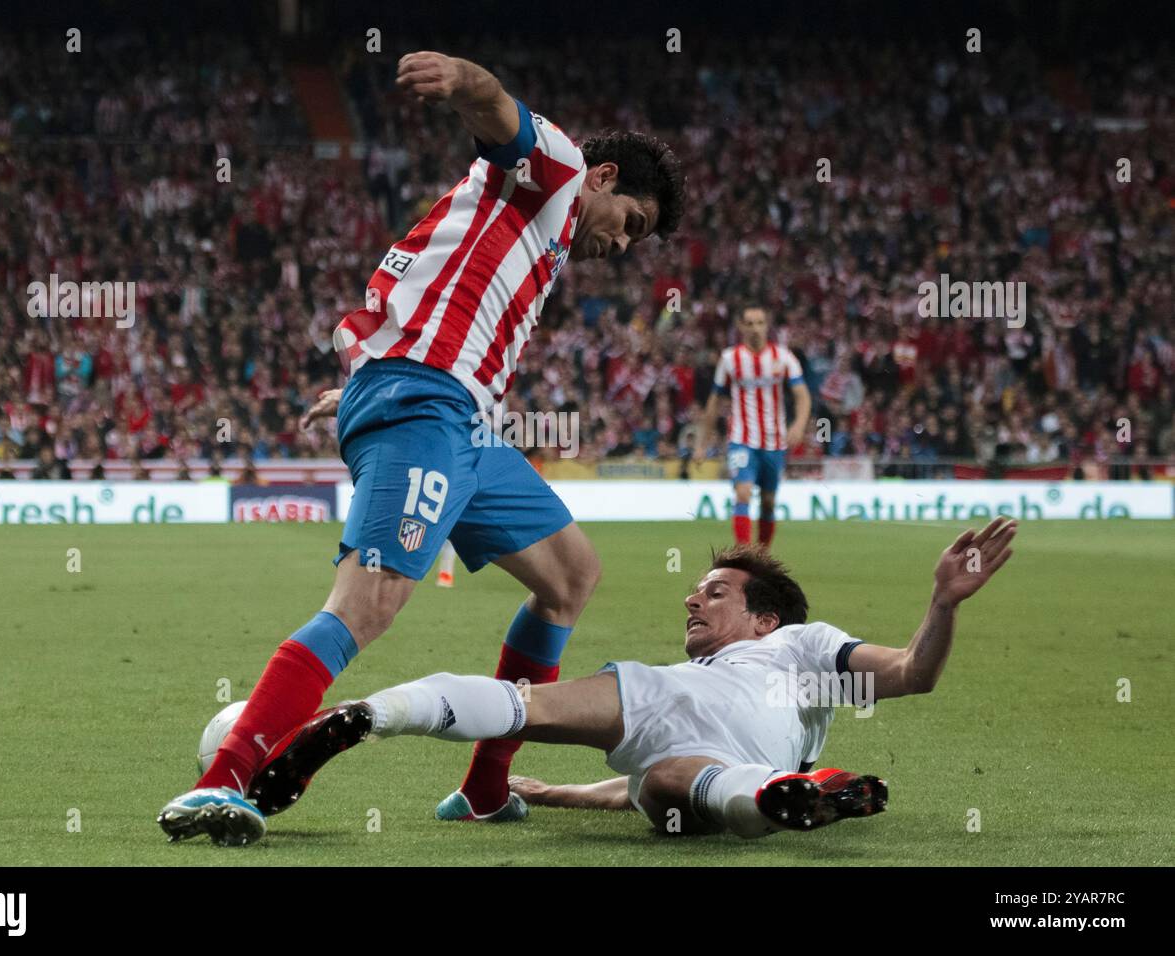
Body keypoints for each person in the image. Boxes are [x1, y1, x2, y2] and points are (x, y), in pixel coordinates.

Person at [158, 50, 686, 845]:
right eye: (632, 223)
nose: (623, 244)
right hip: (426, 402)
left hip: (455, 414)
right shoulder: (560, 173)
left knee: (570, 576)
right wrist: (463, 79)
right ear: (606, 178)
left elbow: (433, 297)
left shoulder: (531, 240)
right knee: (367, 603)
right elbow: (496, 107)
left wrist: (374, 377)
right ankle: (220, 781)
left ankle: (484, 788)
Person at [239, 519, 1015, 841]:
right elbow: (619, 789)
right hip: (742, 754)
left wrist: (941, 602)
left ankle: (371, 714)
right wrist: (548, 793)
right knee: (668, 785)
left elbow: (913, 673)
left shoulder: (804, 649)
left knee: (520, 706)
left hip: (679, 705)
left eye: (717, 590)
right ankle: (787, 797)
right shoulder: (743, 673)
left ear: (765, 619)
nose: (694, 595)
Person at [696, 305, 811, 547]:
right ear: (740, 327)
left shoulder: (783, 357)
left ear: (767, 325)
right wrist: (701, 443)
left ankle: (763, 556)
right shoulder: (730, 359)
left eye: (759, 323)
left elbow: (802, 395)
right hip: (741, 439)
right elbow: (714, 401)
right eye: (749, 323)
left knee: (768, 501)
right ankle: (744, 556)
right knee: (743, 493)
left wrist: (799, 425)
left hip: (774, 441)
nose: (755, 328)